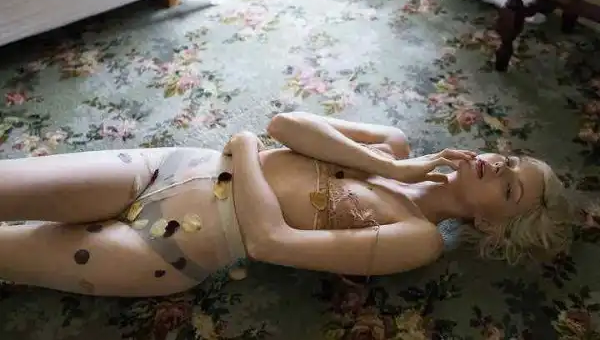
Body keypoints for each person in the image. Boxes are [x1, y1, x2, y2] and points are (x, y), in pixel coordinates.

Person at [0, 112, 575, 297]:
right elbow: (286, 125)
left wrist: (242, 151)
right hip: (163, 168)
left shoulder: (417, 237)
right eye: (508, 160)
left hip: (164, 249)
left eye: (509, 189)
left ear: (490, 224)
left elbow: (270, 242)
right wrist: (391, 167)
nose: (498, 167)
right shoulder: (393, 145)